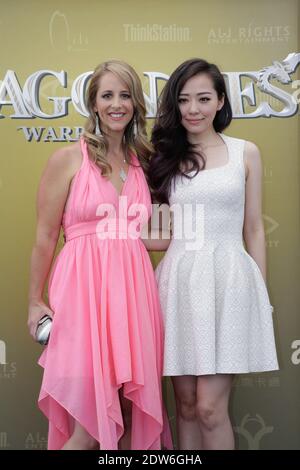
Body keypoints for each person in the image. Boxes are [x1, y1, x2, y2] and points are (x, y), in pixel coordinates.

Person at [27, 59, 172, 450]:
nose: (116, 104)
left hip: (133, 294)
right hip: (82, 294)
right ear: (93, 103)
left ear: (136, 104)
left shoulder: (143, 163)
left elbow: (150, 236)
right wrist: (34, 301)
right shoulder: (69, 159)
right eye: (107, 95)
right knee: (89, 425)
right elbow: (45, 235)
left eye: (125, 95)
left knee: (127, 413)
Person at [148, 58, 279, 450]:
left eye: (203, 98)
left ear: (221, 101)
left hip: (230, 283)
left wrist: (260, 294)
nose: (193, 109)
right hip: (179, 285)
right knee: (186, 406)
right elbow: (158, 233)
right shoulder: (163, 159)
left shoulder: (246, 153)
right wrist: (108, 234)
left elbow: (253, 228)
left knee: (209, 408)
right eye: (184, 100)